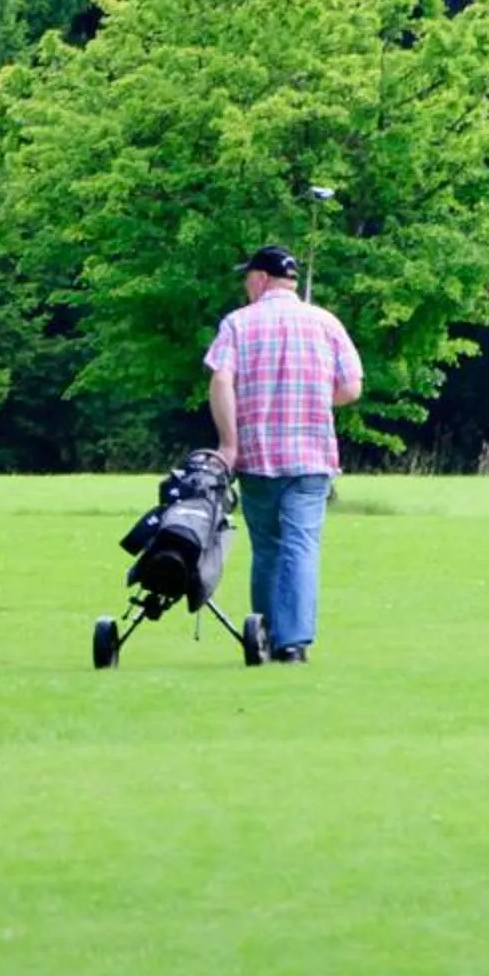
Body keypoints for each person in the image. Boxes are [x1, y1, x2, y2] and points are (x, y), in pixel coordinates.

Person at [204, 242, 363, 663]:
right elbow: (351, 387)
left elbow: (221, 381)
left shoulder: (238, 324)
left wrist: (228, 444)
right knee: (301, 546)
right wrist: (312, 397)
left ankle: (267, 633)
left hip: (256, 455)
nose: (244, 285)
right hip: (311, 455)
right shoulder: (326, 322)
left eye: (247, 278)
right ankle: (291, 643)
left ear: (260, 278)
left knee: (268, 548)